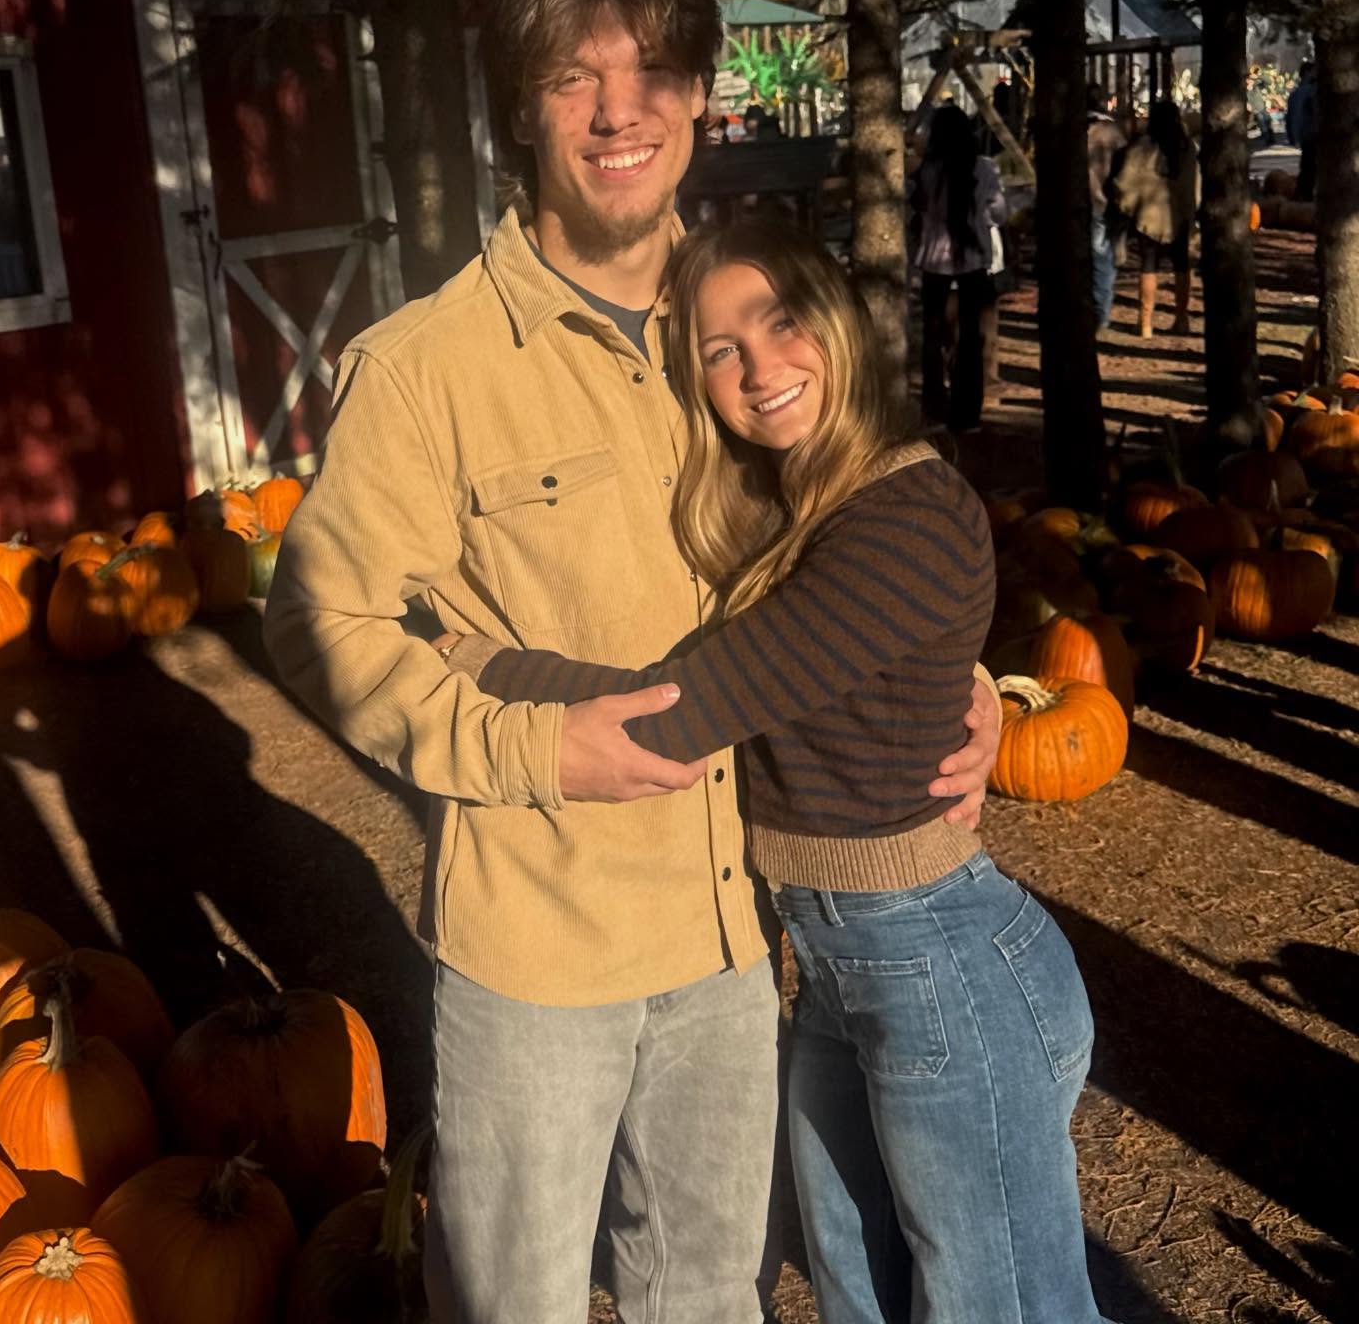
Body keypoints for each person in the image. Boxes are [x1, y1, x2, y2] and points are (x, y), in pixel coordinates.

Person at [262, 0, 1002, 1324]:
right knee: (518, 1305)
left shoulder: (746, 328)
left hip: (735, 937)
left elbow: (863, 530)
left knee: (711, 1298)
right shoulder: (427, 371)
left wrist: (955, 679)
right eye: (573, 78)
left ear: (701, 97)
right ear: (520, 112)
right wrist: (530, 748)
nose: (620, 113)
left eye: (654, 71)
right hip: (537, 951)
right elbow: (319, 619)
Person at [442, 219, 1110, 1324]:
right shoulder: (796, 507)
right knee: (857, 1293)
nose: (759, 368)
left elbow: (681, 711)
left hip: (941, 961)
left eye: (781, 322)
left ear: (836, 321)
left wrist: (474, 661)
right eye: (721, 350)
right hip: (839, 969)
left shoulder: (903, 517)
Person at [910, 103, 1008, 433]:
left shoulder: (927, 171)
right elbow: (1000, 213)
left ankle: (934, 409)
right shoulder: (984, 168)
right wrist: (979, 219)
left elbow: (918, 210)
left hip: (933, 264)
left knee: (933, 338)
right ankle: (967, 414)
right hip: (972, 262)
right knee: (971, 339)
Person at [1112, 99, 1199, 339]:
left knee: (1148, 266)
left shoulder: (1142, 148)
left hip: (1148, 217)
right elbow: (1194, 182)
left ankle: (1145, 323)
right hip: (1180, 215)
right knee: (1182, 265)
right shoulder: (1187, 148)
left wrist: (1128, 205)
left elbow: (1125, 182)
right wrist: (1191, 208)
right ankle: (1182, 319)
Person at [1086, 84, 1128, 332]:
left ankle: (1091, 310)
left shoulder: (1075, 130)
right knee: (1103, 259)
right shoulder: (1114, 133)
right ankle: (1101, 312)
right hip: (1105, 201)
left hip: (1080, 200)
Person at [1286, 61, 1318, 202]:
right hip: (1312, 134)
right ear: (1307, 73)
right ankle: (1305, 197)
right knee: (1310, 169)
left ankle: (1304, 196)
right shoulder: (1309, 91)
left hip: (1308, 136)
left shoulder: (1297, 92)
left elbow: (1291, 117)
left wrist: (1293, 136)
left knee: (1308, 168)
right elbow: (1295, 115)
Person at [1247, 64, 1275, 148]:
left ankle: (1271, 139)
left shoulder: (1256, 86)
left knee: (1268, 122)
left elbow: (1269, 82)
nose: (1251, 81)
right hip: (1255, 110)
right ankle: (1267, 141)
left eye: (1252, 80)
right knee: (1263, 125)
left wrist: (1259, 76)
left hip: (1262, 108)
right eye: (1249, 79)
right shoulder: (1244, 90)